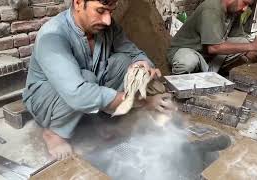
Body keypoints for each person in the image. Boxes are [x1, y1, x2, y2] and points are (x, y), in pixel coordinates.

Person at [23, 0, 174, 160]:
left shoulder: (107, 27)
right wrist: (144, 101)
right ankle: (54, 132)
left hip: (89, 84)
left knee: (123, 62)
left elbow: (133, 53)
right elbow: (79, 93)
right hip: (47, 99)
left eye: (111, 11)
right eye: (101, 11)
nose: (107, 20)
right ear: (78, 3)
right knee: (86, 79)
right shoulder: (52, 36)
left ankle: (98, 119)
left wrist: (142, 65)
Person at [167, 0, 257, 74]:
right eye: (245, 3)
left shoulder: (234, 11)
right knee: (188, 62)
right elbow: (213, 48)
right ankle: (179, 83)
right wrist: (253, 46)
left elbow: (239, 38)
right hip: (189, 50)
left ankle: (214, 73)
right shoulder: (211, 8)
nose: (245, 9)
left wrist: (254, 52)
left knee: (243, 42)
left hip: (207, 55)